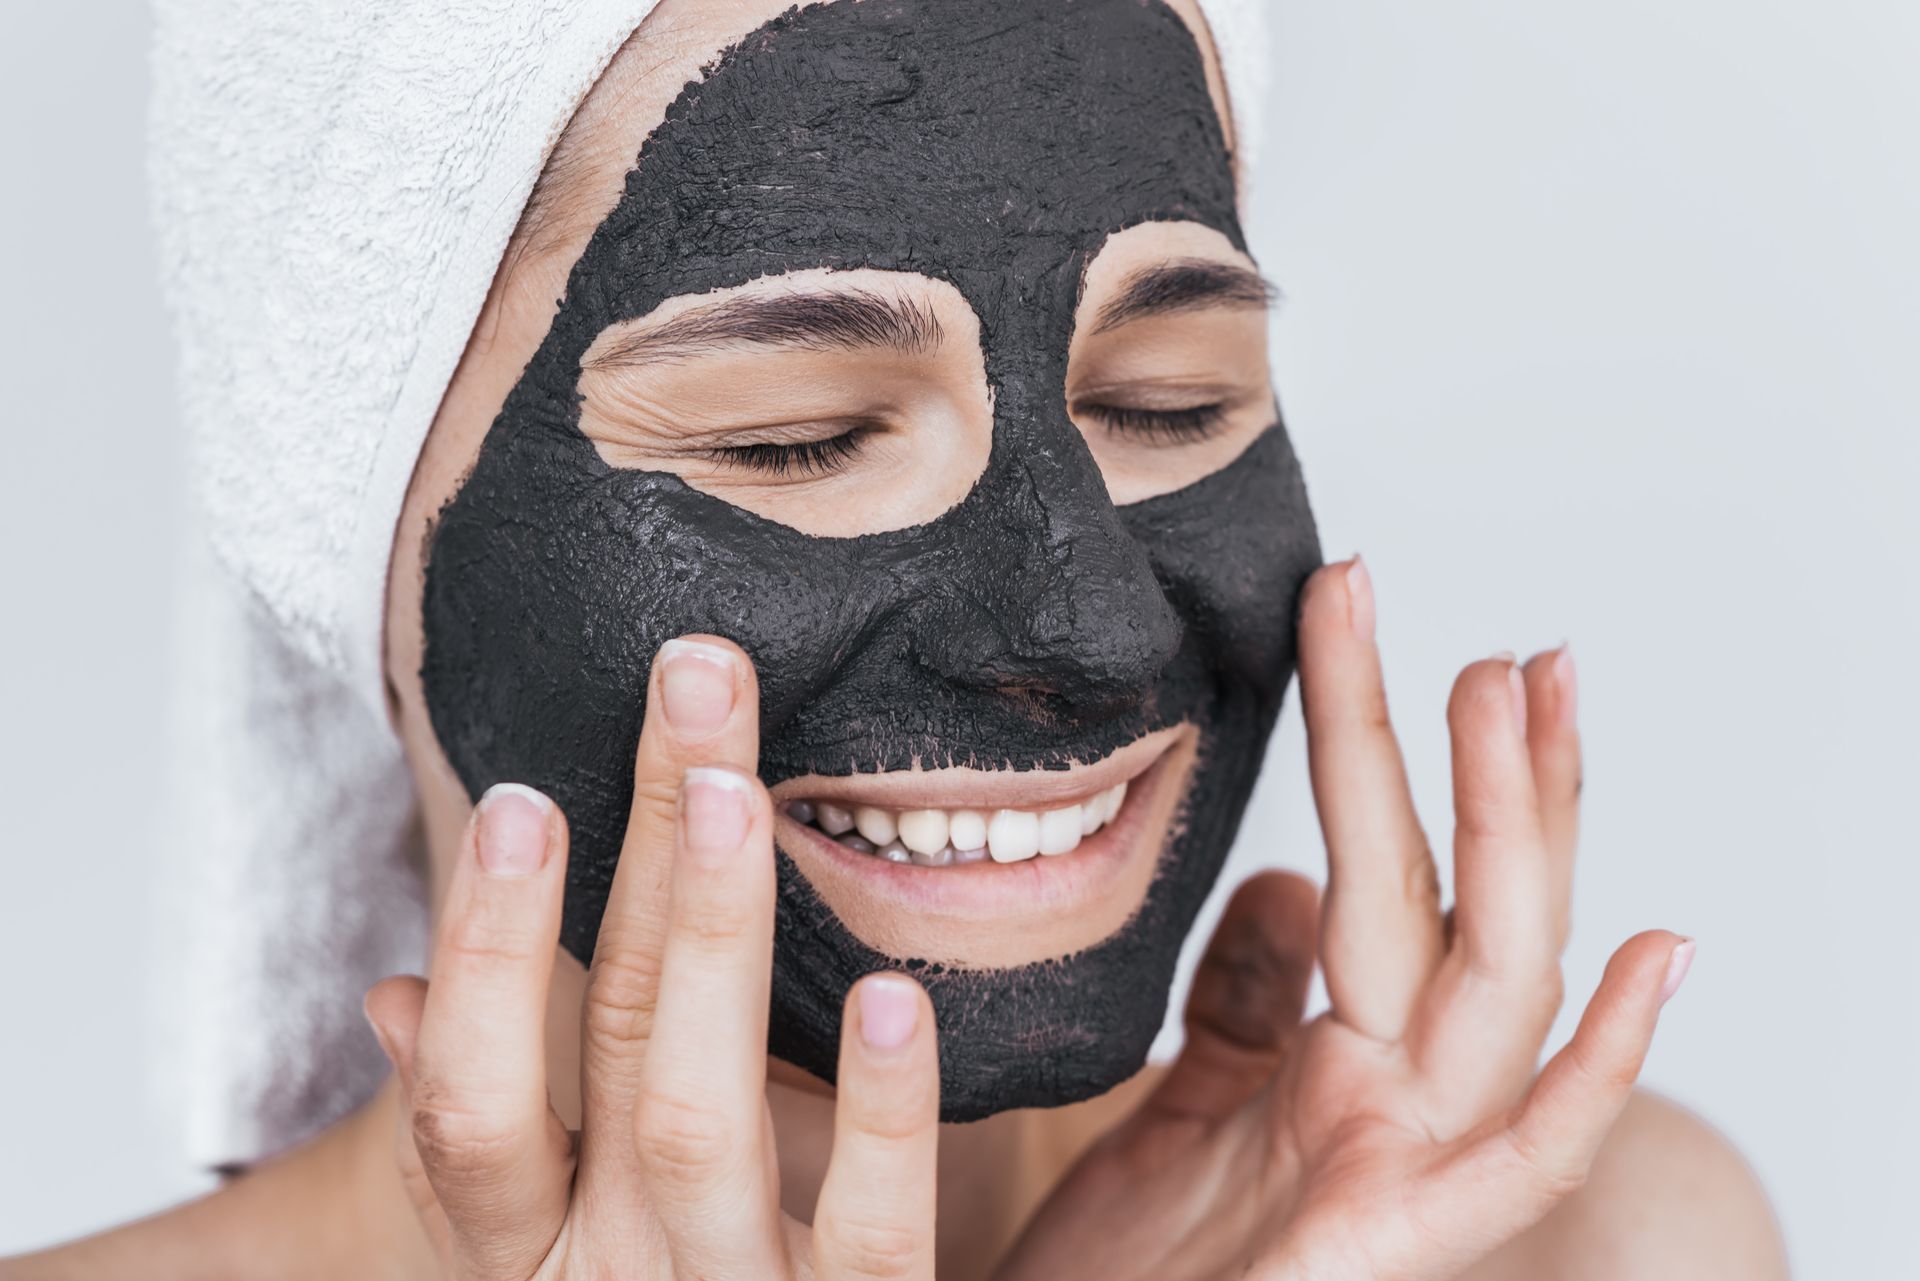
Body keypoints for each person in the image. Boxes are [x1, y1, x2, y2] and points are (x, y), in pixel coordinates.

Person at [4, 1, 1787, 1277]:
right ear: (347, 524)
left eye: (1169, 400)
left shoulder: (1590, 1246)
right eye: (795, 437)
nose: (1083, 619)